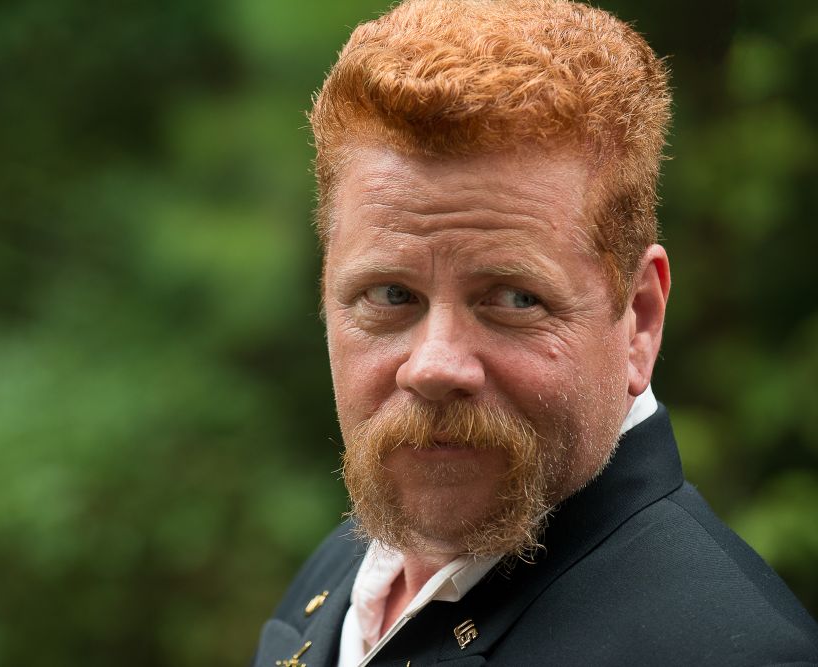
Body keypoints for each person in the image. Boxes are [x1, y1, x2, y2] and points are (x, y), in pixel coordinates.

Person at [252, 0, 818, 665]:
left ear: (640, 318)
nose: (434, 365)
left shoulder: (728, 651)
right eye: (390, 295)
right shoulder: (351, 570)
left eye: (514, 298)